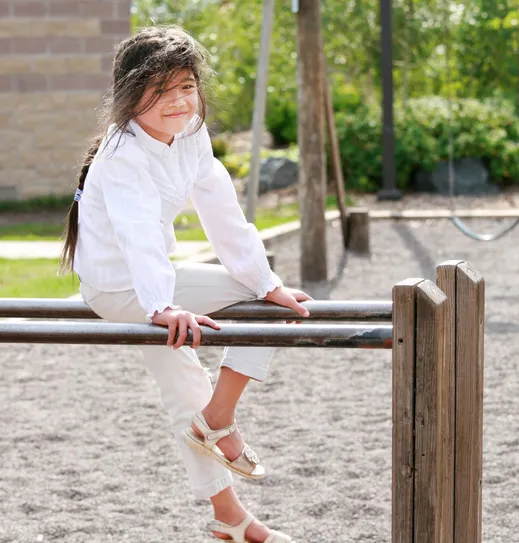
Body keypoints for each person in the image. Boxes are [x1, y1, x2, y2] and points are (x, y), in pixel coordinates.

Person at [60, 25, 311, 543]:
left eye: (186, 86)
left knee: (206, 368)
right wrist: (162, 306)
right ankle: (218, 422)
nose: (178, 100)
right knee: (245, 314)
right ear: (130, 96)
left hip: (157, 283)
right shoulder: (122, 155)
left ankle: (230, 517)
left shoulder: (191, 133)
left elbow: (222, 210)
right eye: (161, 89)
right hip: (120, 288)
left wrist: (267, 281)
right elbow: (136, 235)